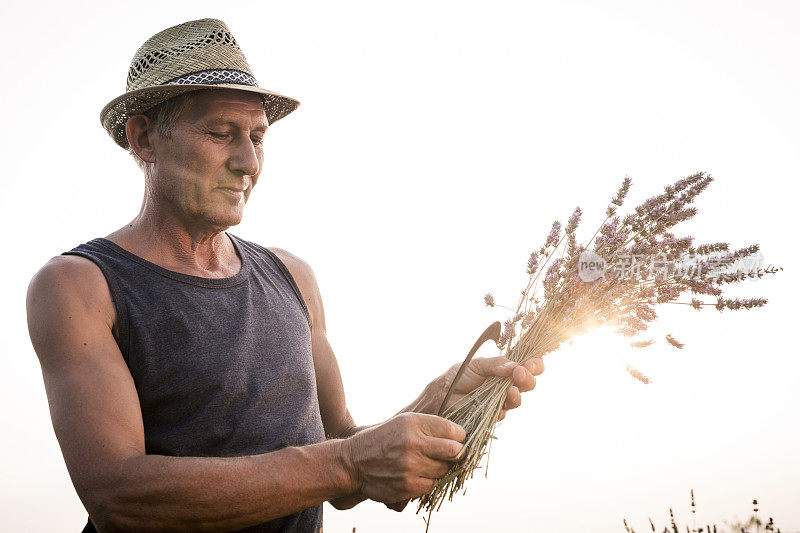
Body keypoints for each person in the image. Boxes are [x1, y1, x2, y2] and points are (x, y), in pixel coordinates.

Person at [25, 18, 544, 532]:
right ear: (143, 138)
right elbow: (120, 498)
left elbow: (339, 454)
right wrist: (348, 463)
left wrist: (440, 399)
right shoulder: (79, 286)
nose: (248, 162)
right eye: (220, 133)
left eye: (257, 137)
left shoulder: (293, 277)